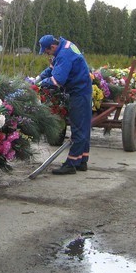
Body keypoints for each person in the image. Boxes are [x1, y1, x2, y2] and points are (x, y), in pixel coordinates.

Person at [37, 34, 93, 175]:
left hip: (78, 92)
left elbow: (58, 80)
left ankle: (71, 164)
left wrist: (41, 84)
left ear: (53, 46)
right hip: (83, 90)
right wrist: (38, 78)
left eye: (47, 51)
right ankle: (82, 161)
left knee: (78, 128)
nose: (46, 54)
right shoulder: (64, 45)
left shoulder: (63, 55)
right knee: (84, 126)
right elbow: (52, 68)